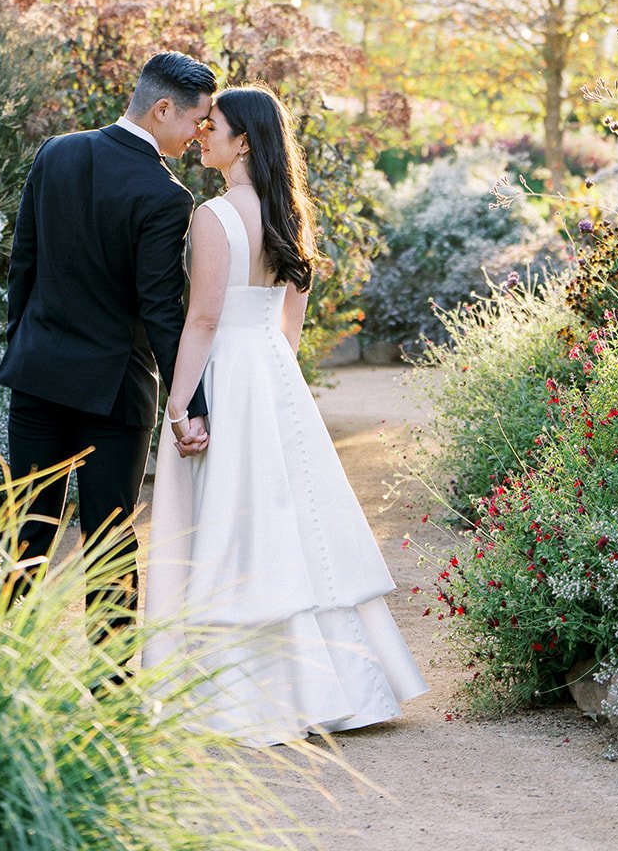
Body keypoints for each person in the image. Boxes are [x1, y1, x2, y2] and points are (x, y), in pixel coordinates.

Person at [142, 84, 428, 743]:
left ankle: (244, 697)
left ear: (243, 140)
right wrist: (274, 387)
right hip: (271, 371)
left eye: (213, 126)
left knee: (230, 522)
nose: (202, 133)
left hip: (226, 369)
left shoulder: (212, 217)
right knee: (286, 522)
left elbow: (204, 318)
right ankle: (338, 690)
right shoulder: (288, 214)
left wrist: (182, 403)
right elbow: (288, 323)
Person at [0, 50, 215, 642]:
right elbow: (161, 310)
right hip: (113, 394)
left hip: (36, 375)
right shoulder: (166, 196)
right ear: (162, 108)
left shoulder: (57, 152)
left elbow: (24, 263)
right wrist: (188, 401)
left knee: (28, 528)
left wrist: (22, 342)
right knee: (111, 540)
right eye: (196, 120)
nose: (198, 135)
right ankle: (110, 693)